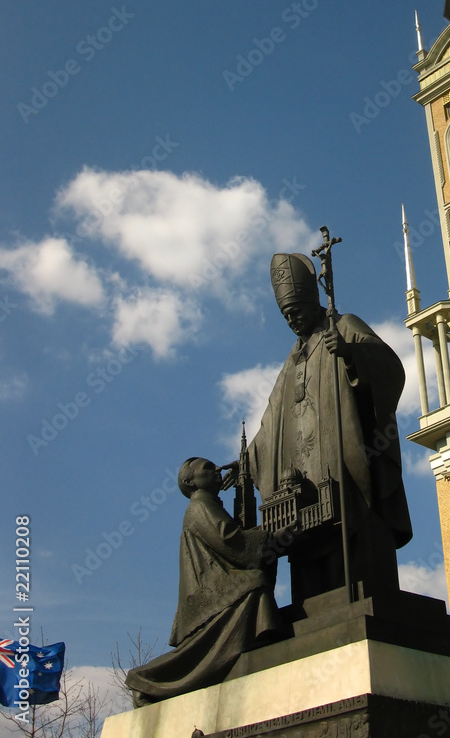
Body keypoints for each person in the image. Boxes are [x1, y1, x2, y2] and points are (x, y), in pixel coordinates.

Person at [249, 252, 412, 604]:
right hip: (303, 484)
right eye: (286, 315)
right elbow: (270, 421)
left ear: (313, 300)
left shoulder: (345, 326)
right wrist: (248, 459)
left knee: (353, 546)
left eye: (297, 311)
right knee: (308, 564)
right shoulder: (292, 361)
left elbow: (391, 369)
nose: (292, 320)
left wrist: (351, 354)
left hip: (345, 470)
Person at [126, 458, 283, 705]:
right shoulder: (199, 507)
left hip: (219, 578)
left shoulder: (210, 504)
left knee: (254, 581)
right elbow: (230, 541)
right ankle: (147, 680)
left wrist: (247, 463)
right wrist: (272, 536)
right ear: (190, 482)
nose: (217, 470)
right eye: (208, 469)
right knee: (254, 583)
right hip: (209, 588)